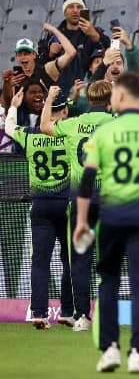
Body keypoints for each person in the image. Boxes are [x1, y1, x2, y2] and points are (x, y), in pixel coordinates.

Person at [74, 72, 139, 374]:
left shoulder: (104, 133)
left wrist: (82, 221)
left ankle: (109, 349)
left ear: (119, 96)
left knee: (109, 281)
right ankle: (138, 353)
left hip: (111, 216)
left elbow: (87, 181)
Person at [38, 80, 113, 331]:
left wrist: (50, 99)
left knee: (80, 259)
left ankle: (82, 315)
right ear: (110, 100)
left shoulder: (72, 124)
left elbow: (44, 126)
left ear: (88, 100)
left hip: (80, 200)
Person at [4, 87, 71, 329]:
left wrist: (13, 106)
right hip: (66, 204)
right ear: (64, 111)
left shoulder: (31, 135)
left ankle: (39, 313)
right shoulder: (70, 135)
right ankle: (68, 312)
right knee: (69, 260)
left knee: (40, 260)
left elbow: (9, 129)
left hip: (40, 204)